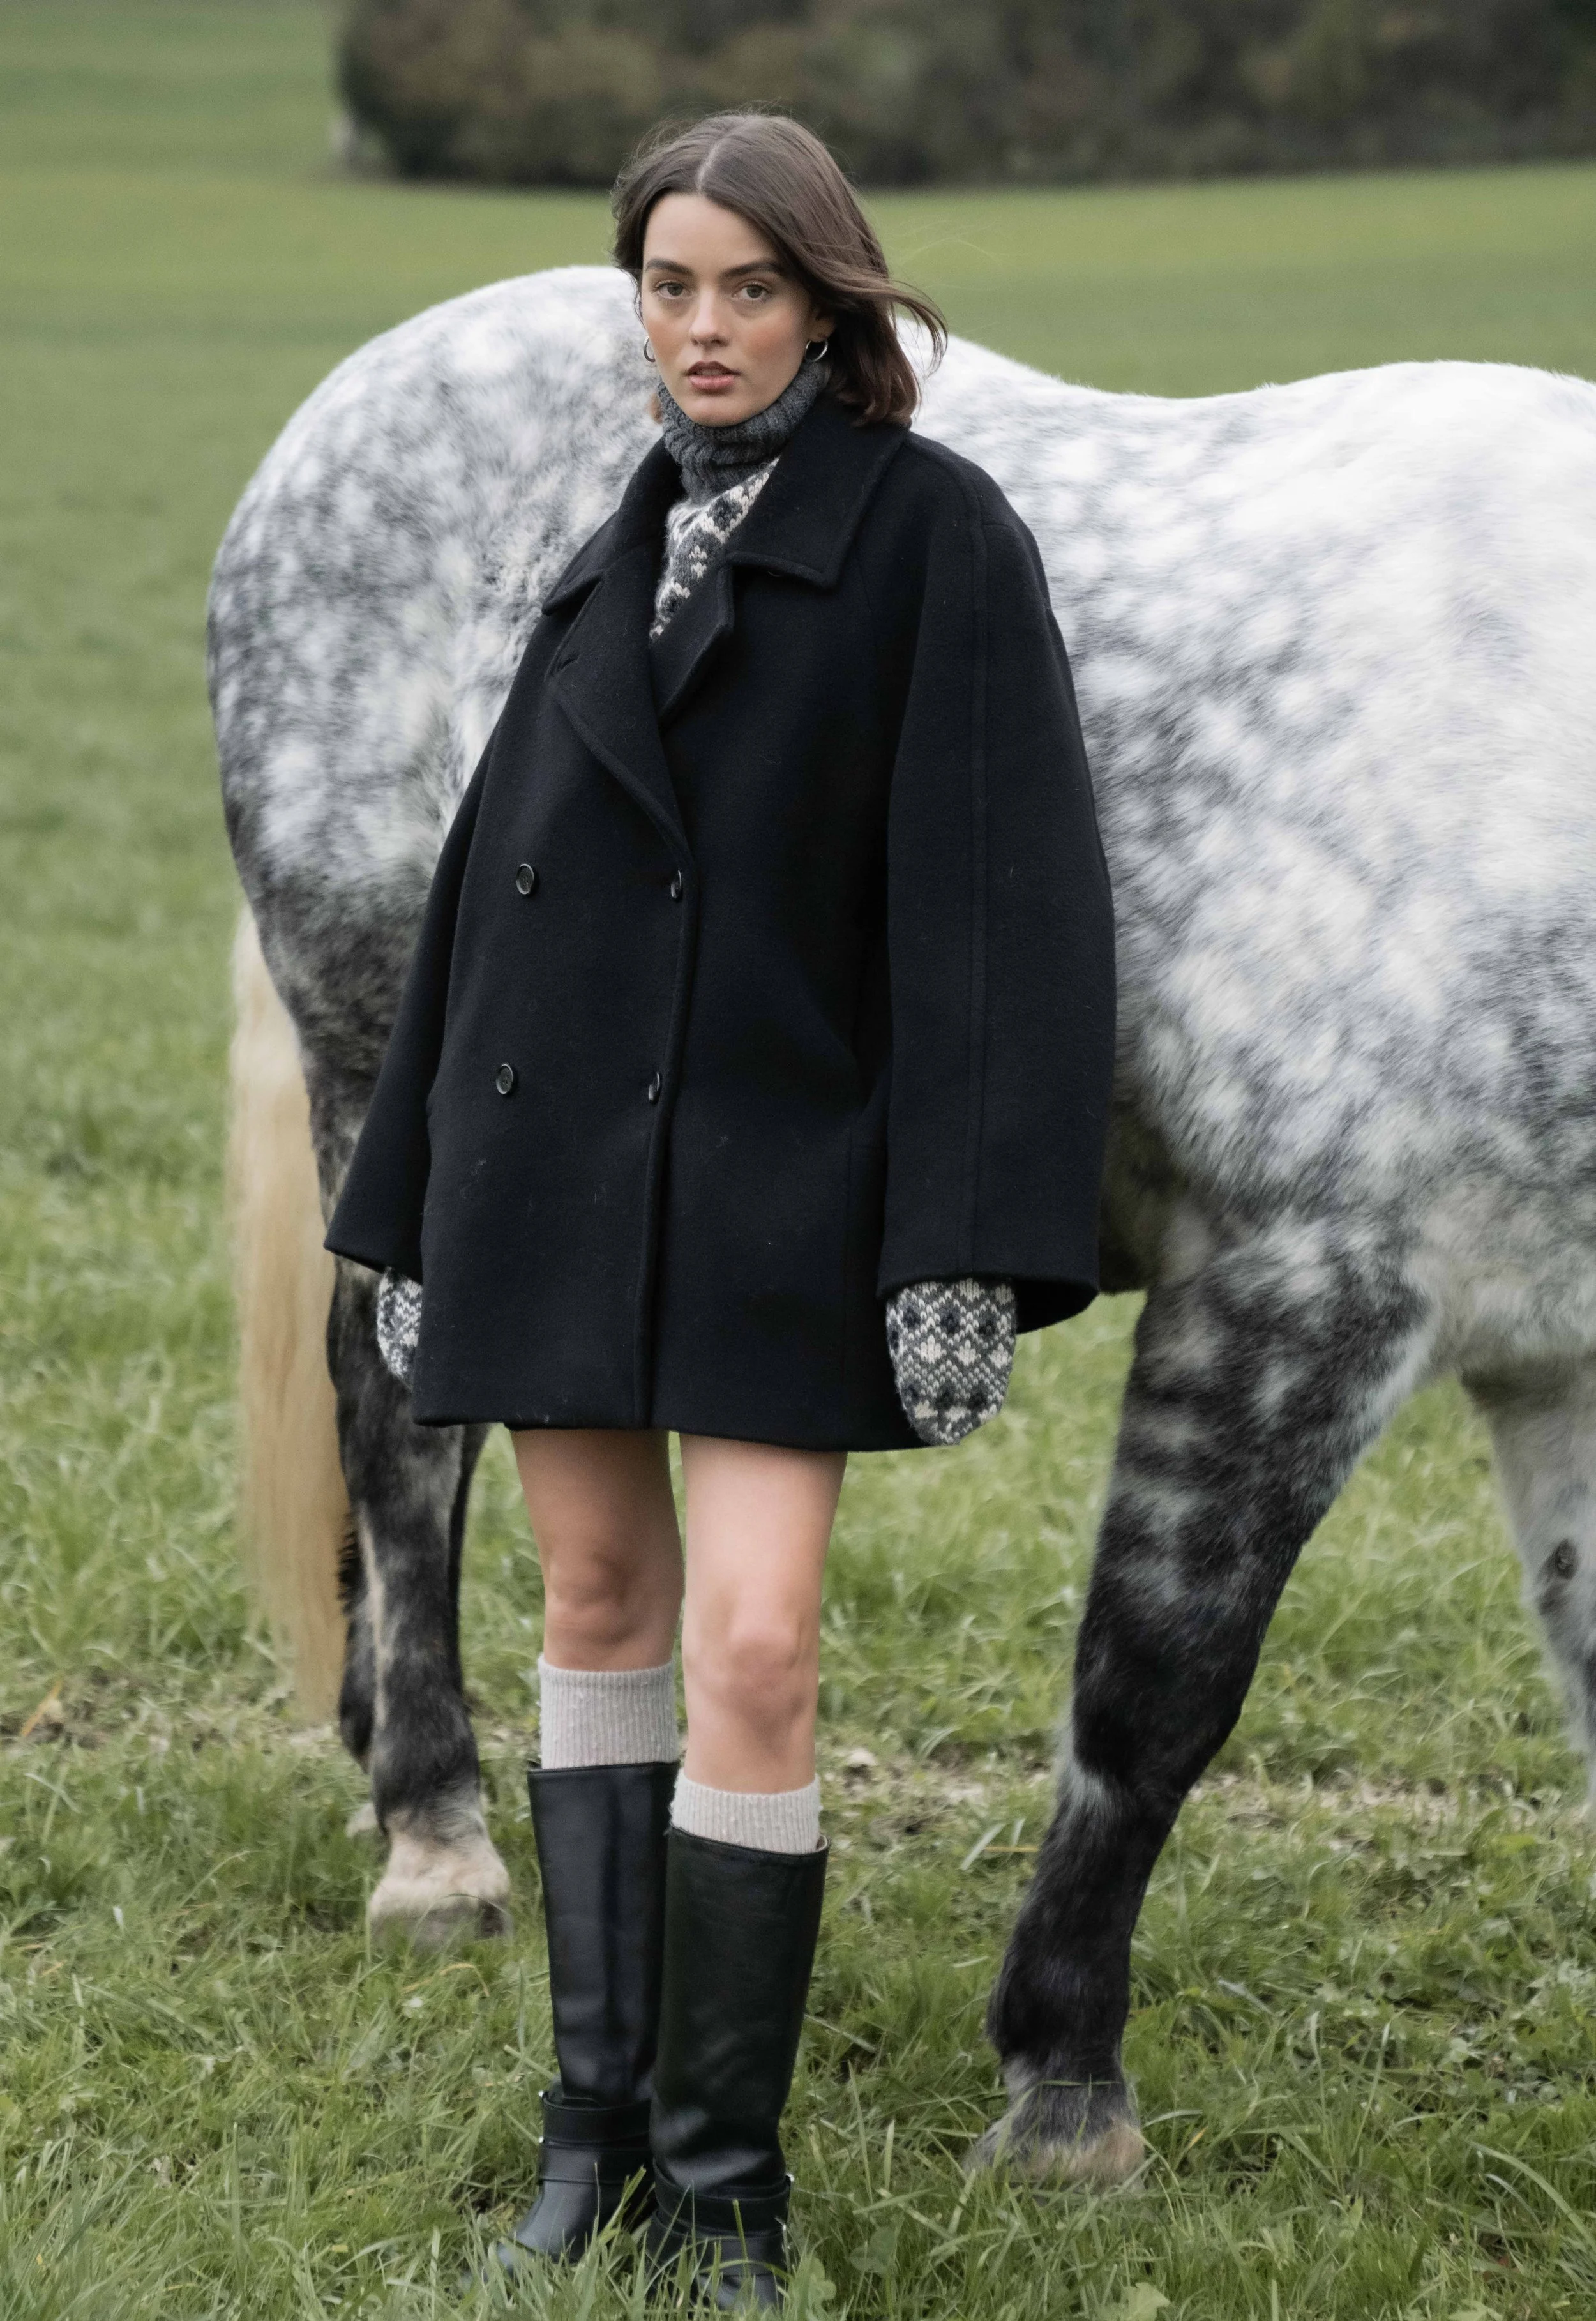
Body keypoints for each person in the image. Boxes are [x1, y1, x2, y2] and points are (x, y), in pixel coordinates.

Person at [326, 110, 1115, 2310]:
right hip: (555, 1168)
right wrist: (402, 1212)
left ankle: (727, 2175)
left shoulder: (937, 536)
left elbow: (1003, 919)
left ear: (828, 301)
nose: (700, 328)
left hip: (787, 1185)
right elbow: (486, 896)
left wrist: (961, 1239)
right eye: (667, 287)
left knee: (754, 1643)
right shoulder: (619, 539)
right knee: (591, 1597)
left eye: (744, 288)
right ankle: (593, 2139)